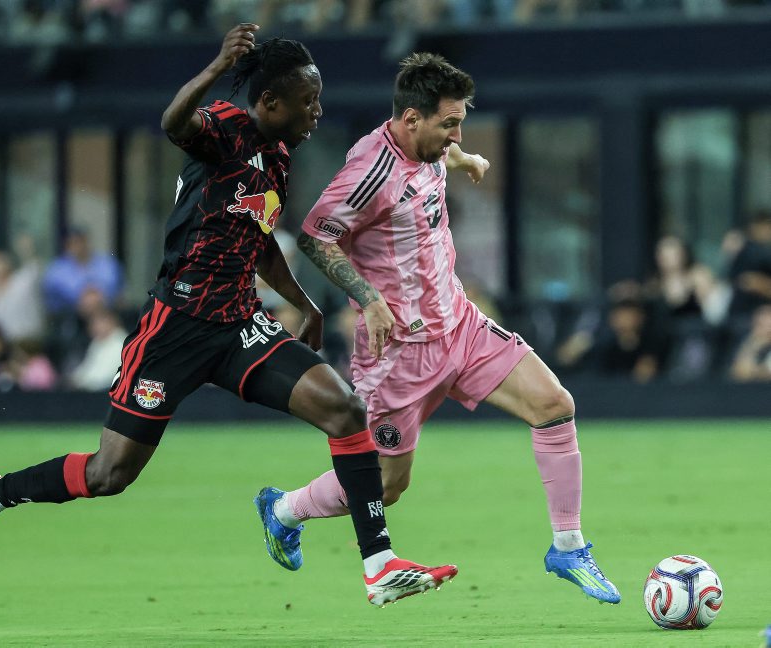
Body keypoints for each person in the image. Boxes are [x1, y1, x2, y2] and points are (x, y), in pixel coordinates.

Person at [0, 23, 455, 607]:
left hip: (239, 324)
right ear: (271, 102)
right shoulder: (224, 129)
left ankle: (379, 565)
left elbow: (260, 241)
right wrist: (217, 66)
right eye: (308, 100)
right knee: (109, 474)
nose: (317, 111)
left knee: (345, 410)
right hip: (176, 327)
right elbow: (173, 123)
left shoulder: (278, 156)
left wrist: (303, 303)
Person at [254, 52, 621, 604]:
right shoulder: (368, 171)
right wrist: (368, 299)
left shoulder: (428, 145)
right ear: (410, 119)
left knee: (554, 404)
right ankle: (284, 509)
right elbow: (314, 236)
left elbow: (439, 153)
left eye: (460, 122)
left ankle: (568, 547)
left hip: (459, 325)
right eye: (449, 123)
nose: (456, 133)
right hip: (397, 353)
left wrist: (463, 157)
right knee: (386, 485)